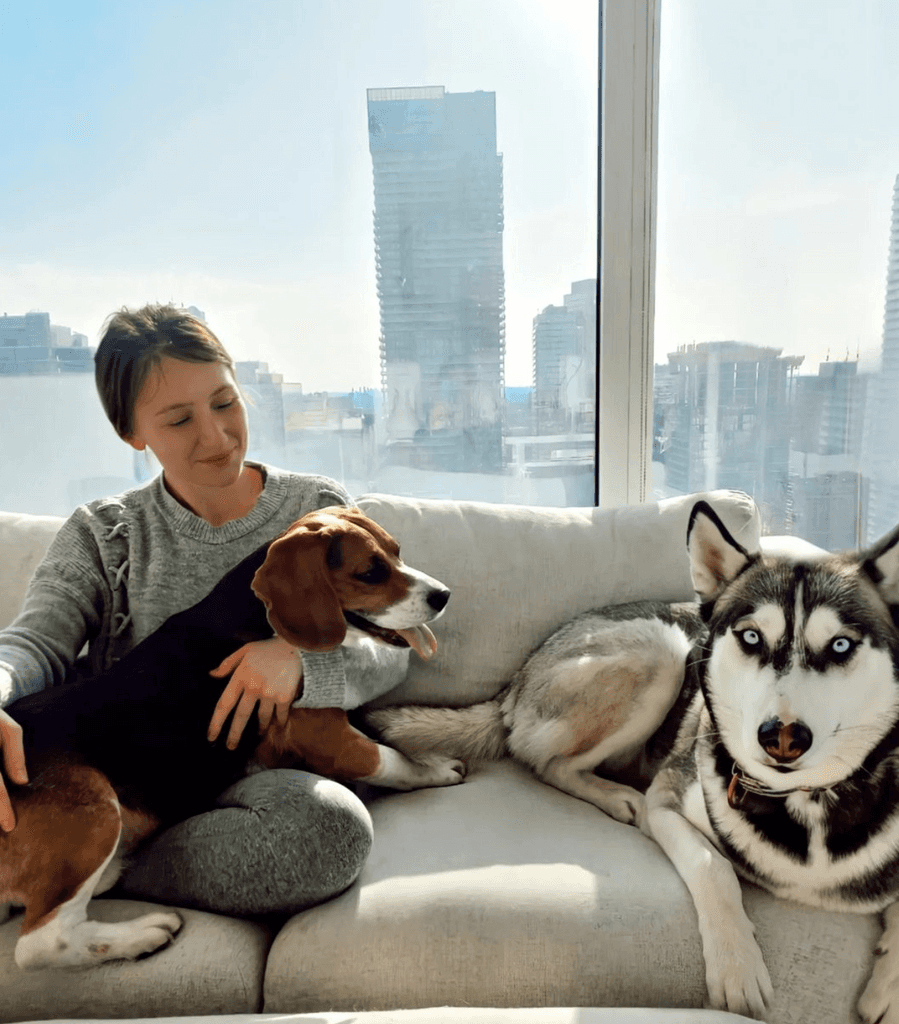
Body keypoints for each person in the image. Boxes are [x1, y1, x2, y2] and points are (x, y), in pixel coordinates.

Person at [0, 303, 400, 917]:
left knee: (327, 830)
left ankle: (93, 871)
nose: (215, 436)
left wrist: (297, 660)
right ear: (133, 433)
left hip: (262, 783)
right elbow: (35, 644)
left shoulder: (317, 509)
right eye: (179, 419)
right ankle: (79, 860)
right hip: (129, 776)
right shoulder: (106, 532)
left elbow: (389, 653)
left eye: (224, 402)